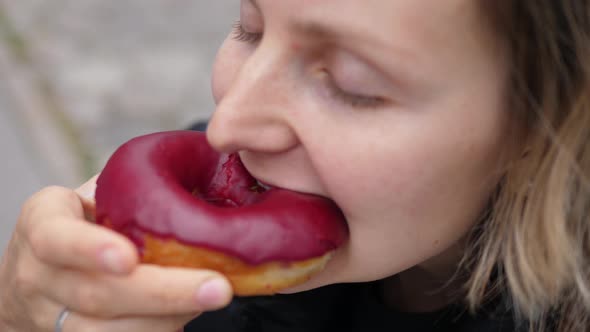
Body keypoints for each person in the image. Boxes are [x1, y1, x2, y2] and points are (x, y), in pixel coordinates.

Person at [1, 0, 589, 331]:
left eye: (350, 85)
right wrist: (21, 312)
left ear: (548, 124)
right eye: (249, 28)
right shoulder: (211, 223)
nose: (228, 124)